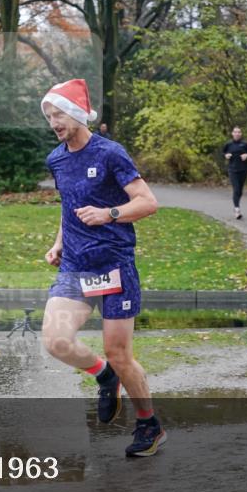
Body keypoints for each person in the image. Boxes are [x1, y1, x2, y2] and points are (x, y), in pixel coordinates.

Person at [40, 79, 165, 457]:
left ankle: (149, 425)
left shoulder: (110, 154)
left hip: (114, 266)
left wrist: (109, 214)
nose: (54, 122)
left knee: (120, 354)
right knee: (56, 340)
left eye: (58, 113)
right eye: (48, 116)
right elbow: (70, 204)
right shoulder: (56, 158)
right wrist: (60, 242)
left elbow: (148, 202)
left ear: (77, 112)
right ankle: (103, 376)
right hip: (76, 266)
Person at [222, 126, 247, 220]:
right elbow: (223, 153)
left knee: (240, 191)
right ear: (232, 133)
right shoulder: (228, 144)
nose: (237, 134)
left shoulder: (245, 144)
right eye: (235, 132)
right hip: (232, 170)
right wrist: (226, 155)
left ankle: (236, 205)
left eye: (239, 132)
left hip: (243, 170)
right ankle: (237, 209)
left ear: (241, 134)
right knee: (236, 189)